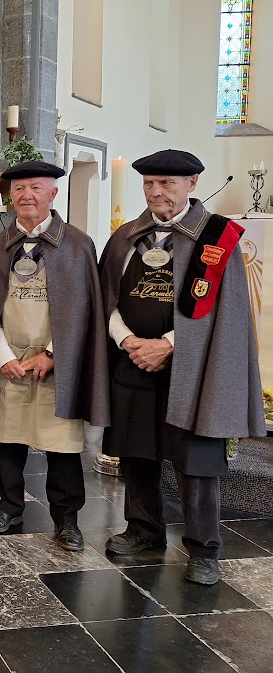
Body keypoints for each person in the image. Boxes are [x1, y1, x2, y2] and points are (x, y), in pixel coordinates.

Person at [99, 149, 265, 584]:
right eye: (150, 184)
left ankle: (203, 548)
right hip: (132, 359)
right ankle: (143, 529)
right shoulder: (125, 237)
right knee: (136, 451)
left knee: (195, 461)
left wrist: (167, 345)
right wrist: (128, 340)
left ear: (192, 184)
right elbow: (107, 299)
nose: (157, 193)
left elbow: (223, 315)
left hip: (192, 369)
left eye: (167, 184)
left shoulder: (216, 238)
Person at [0, 161, 110, 551]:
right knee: (8, 441)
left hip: (55, 364)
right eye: (18, 189)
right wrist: (2, 356)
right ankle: (9, 505)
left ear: (53, 194)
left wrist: (52, 354)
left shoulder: (77, 245)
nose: (26, 195)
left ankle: (66, 520)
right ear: (10, 196)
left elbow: (84, 308)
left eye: (36, 187)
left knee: (62, 445)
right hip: (10, 361)